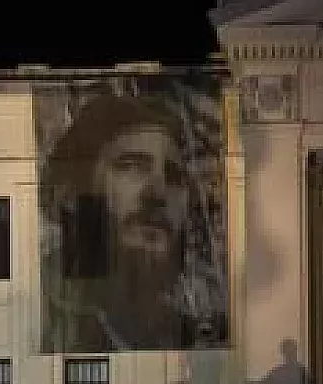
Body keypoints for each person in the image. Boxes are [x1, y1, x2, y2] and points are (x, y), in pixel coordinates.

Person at [41, 90, 226, 352]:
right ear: (71, 194)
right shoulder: (36, 315)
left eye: (173, 178)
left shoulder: (196, 337)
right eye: (131, 166)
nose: (158, 192)